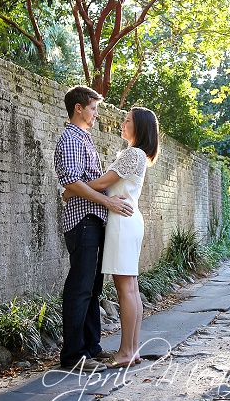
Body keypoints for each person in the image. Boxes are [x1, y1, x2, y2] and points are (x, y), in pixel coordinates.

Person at [62, 106, 159, 369]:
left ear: (139, 127)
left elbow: (104, 183)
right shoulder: (136, 154)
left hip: (121, 223)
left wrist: (72, 191)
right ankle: (132, 349)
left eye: (127, 120)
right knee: (131, 289)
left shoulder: (132, 153)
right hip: (126, 220)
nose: (122, 123)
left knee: (126, 289)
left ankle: (127, 351)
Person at [53, 85, 133, 373]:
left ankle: (91, 348)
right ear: (79, 108)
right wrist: (108, 202)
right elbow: (72, 182)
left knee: (92, 288)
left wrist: (99, 199)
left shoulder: (83, 138)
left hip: (94, 218)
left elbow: (79, 184)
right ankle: (73, 356)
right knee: (80, 288)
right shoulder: (70, 139)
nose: (97, 113)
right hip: (82, 220)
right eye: (94, 108)